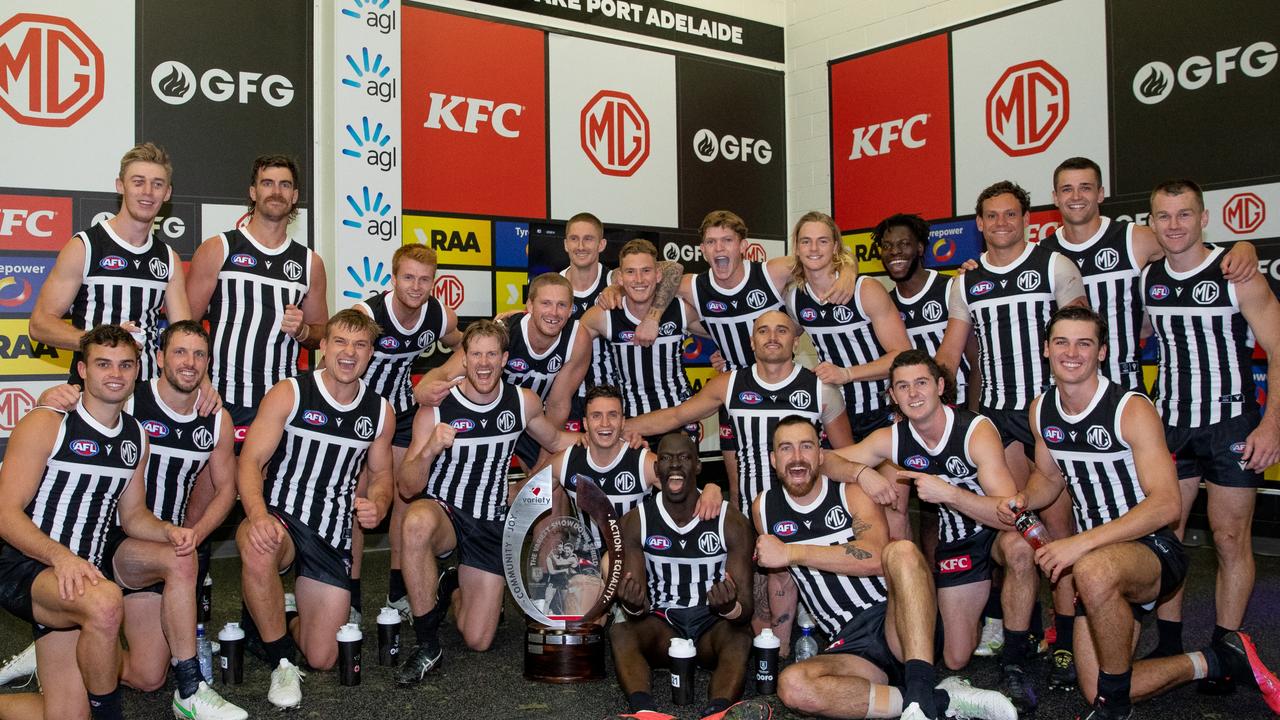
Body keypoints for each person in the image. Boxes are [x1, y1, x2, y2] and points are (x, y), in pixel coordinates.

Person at [998, 305, 1280, 719]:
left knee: (1092, 570)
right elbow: (1050, 478)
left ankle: (1114, 713)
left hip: (1153, 550)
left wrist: (1079, 544)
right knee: (1097, 685)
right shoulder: (1042, 408)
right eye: (1061, 341)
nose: (1071, 352)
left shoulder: (1131, 408)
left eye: (1084, 343)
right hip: (1101, 561)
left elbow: (1167, 504)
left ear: (1103, 352)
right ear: (1046, 349)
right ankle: (1217, 660)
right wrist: (1023, 497)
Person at [759, 416, 1016, 720]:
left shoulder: (848, 492)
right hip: (848, 643)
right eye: (786, 449)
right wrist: (780, 644)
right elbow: (783, 582)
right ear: (774, 460)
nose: (797, 457)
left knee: (902, 551)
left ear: (820, 454)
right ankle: (935, 700)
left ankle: (920, 692)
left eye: (806, 446)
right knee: (793, 686)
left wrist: (792, 551)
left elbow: (874, 556)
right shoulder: (764, 507)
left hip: (897, 619)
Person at [828, 350, 1040, 712]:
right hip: (959, 539)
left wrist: (950, 494)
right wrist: (862, 473)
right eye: (903, 387)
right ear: (893, 396)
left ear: (941, 386)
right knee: (956, 658)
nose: (913, 394)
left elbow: (1009, 513)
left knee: (1019, 549)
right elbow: (829, 459)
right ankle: (987, 617)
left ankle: (1015, 663)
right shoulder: (893, 438)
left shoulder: (975, 430)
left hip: (995, 526)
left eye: (922, 383)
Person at [0, 326, 187, 720]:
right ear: (82, 370)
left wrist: (168, 531)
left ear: (137, 371)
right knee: (105, 603)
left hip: (80, 575)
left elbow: (133, 516)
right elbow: (5, 513)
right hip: (27, 564)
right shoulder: (48, 423)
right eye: (103, 364)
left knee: (67, 715)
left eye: (125, 365)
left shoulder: (136, 435)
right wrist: (60, 557)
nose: (115, 374)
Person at [936, 180, 1086, 664]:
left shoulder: (1055, 265)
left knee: (1058, 529)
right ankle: (1019, 630)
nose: (1001, 223)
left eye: (1010, 215)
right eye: (991, 216)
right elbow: (950, 353)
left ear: (1025, 220)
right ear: (979, 225)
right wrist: (919, 393)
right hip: (996, 419)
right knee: (1016, 527)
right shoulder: (965, 282)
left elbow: (1079, 342)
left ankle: (1064, 639)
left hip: (1048, 414)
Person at [1141, 179, 1280, 672]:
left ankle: (1228, 647)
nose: (1174, 225)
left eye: (1184, 215)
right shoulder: (1148, 277)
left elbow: (1279, 348)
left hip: (1231, 425)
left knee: (1228, 538)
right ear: (1151, 223)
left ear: (1203, 218)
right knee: (1166, 536)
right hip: (1171, 427)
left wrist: (1272, 427)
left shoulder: (1236, 272)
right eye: (1164, 216)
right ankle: (1169, 643)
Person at [395, 320, 577, 686]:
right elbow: (407, 486)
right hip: (445, 512)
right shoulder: (438, 407)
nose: (483, 363)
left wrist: (613, 440)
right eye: (475, 354)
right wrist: (430, 448)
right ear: (463, 359)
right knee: (415, 522)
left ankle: (451, 586)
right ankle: (428, 644)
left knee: (478, 640)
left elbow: (558, 441)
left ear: (504, 359)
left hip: (490, 521)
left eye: (491, 354)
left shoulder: (521, 401)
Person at [235, 310, 394, 709]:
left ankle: (276, 616)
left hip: (331, 533)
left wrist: (378, 504)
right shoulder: (289, 392)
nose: (349, 352)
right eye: (340, 341)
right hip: (282, 518)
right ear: (322, 347)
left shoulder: (379, 412)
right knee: (259, 545)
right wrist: (257, 515)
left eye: (360, 345)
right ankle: (282, 662)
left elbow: (381, 477)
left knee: (323, 657)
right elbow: (250, 462)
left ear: (370, 354)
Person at [1040, 157, 1256, 393]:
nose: (1076, 197)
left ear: (1100, 194)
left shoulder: (1133, 238)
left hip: (1124, 384)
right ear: (1055, 198)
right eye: (1067, 189)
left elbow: (1189, 248)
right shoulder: (1043, 253)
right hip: (1066, 387)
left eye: (1086, 188)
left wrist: (1244, 247)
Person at [29, 143, 199, 390]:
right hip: (91, 392)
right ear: (121, 186)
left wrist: (203, 384)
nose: (148, 192)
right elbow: (40, 324)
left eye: (157, 184)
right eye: (138, 182)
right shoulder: (85, 246)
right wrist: (102, 341)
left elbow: (184, 336)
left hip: (146, 392)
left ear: (168, 193)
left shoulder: (167, 258)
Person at [609, 432, 755, 719]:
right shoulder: (637, 520)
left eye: (684, 457)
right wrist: (632, 602)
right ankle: (645, 711)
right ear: (657, 468)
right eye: (665, 458)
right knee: (621, 630)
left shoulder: (731, 520)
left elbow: (746, 609)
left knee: (740, 636)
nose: (674, 465)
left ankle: (717, 711)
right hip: (664, 624)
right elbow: (639, 610)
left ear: (698, 466)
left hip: (712, 625)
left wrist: (730, 607)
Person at [785, 211, 912, 537]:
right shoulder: (795, 297)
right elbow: (778, 336)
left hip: (883, 414)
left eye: (823, 241)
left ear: (835, 247)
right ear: (796, 249)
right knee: (850, 511)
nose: (814, 248)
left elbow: (903, 355)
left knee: (893, 510)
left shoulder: (864, 289)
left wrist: (848, 373)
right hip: (837, 420)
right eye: (806, 241)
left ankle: (906, 586)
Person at [187, 154, 329, 444]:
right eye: (267, 183)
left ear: (295, 196)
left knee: (266, 487)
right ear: (253, 192)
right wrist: (200, 382)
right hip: (219, 395)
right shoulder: (219, 248)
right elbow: (184, 326)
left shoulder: (309, 262)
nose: (276, 192)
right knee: (216, 488)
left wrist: (302, 331)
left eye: (285, 185)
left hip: (280, 401)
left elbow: (321, 335)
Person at [351, 243, 459, 620]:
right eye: (408, 277)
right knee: (358, 503)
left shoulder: (440, 316)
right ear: (393, 278)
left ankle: (397, 593)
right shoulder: (367, 314)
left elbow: (459, 342)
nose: (416, 286)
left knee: (401, 500)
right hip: (359, 413)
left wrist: (495, 329)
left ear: (433, 282)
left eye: (424, 279)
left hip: (401, 412)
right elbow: (335, 359)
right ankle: (351, 597)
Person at [417, 273, 590, 471]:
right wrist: (421, 390)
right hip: (492, 412)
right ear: (530, 307)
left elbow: (558, 405)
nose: (554, 312)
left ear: (570, 310)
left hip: (536, 419)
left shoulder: (577, 338)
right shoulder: (504, 331)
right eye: (546, 303)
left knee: (551, 490)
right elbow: (444, 373)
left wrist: (541, 471)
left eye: (561, 305)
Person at [546, 385, 722, 552]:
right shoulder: (566, 461)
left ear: (623, 422)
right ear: (585, 423)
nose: (605, 423)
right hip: (587, 563)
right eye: (596, 416)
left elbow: (690, 495)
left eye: (613, 415)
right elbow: (527, 494)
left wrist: (711, 488)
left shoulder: (643, 462)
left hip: (634, 558)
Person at [579, 239, 701, 427]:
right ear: (619, 278)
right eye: (630, 272)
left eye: (646, 271)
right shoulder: (605, 315)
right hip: (631, 422)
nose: (639, 280)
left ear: (658, 274)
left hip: (678, 418)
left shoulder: (680, 309)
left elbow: (721, 332)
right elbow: (566, 345)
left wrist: (722, 355)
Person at [876, 213, 973, 407]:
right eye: (887, 246)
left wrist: (974, 414)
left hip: (959, 406)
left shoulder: (951, 288)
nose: (895, 251)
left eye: (904, 243)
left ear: (920, 248)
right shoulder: (884, 304)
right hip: (915, 411)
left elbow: (976, 360)